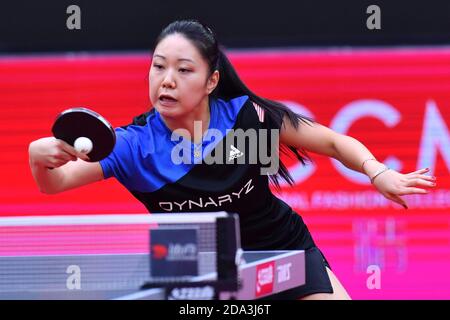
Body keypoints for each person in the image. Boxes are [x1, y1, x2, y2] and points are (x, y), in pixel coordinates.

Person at [28, 20, 437, 300]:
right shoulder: (133, 146)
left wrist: (377, 171)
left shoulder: (246, 117)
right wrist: (38, 158)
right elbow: (55, 183)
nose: (166, 80)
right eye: (157, 67)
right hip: (194, 267)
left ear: (211, 81)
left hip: (281, 251)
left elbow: (331, 142)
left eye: (183, 70)